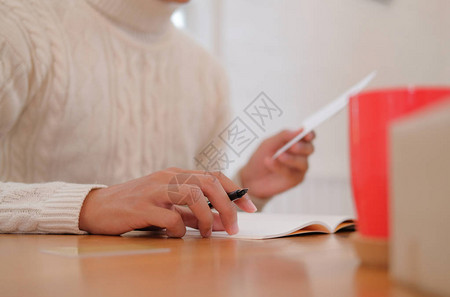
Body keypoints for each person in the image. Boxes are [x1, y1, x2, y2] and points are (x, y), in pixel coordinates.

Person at [0, 0, 315, 237]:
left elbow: (192, 216)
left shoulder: (207, 72)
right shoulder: (16, 27)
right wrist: (88, 206)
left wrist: (247, 188)